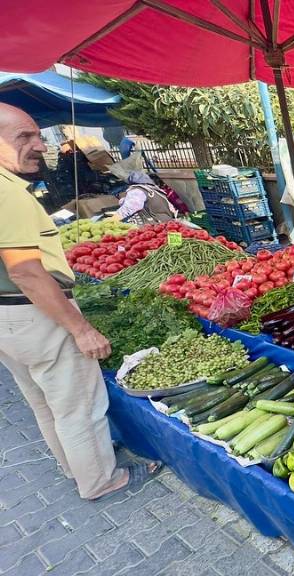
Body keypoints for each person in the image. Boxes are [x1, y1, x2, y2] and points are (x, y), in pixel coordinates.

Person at [0, 103, 160, 501]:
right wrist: (81, 328)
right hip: (35, 312)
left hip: (10, 319)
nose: (39, 145)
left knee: (45, 403)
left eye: (37, 135)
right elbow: (26, 272)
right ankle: (102, 480)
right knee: (78, 405)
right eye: (24, 137)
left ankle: (76, 467)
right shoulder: (9, 195)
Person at [111, 171, 179, 224]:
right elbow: (172, 210)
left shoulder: (138, 190)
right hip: (168, 224)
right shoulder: (156, 191)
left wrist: (112, 220)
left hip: (152, 226)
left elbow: (129, 207)